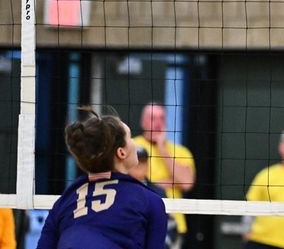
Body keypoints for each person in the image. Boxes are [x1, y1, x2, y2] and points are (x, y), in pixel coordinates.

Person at [37, 107, 167, 249]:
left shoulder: (64, 201)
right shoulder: (150, 201)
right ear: (121, 152)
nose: (135, 143)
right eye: (130, 137)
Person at [134, 102, 195, 245]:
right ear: (143, 122)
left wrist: (163, 150)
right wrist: (170, 182)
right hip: (139, 218)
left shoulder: (180, 151)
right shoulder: (132, 145)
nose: (157, 123)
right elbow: (130, 180)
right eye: (153, 118)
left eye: (161, 118)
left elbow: (186, 183)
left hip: (172, 224)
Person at [128, 146, 180, 249]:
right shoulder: (119, 189)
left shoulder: (158, 192)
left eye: (142, 162)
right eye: (136, 161)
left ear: (147, 165)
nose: (139, 165)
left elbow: (171, 225)